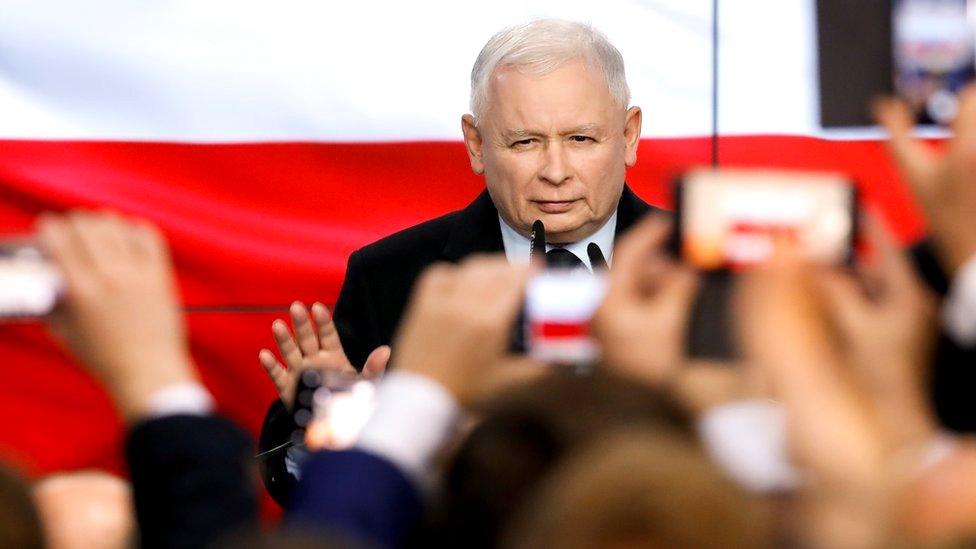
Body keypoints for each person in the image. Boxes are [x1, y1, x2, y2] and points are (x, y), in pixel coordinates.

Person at [256, 18, 662, 505]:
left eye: (580, 139)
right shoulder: (392, 275)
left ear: (629, 134)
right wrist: (341, 424)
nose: (556, 172)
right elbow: (296, 484)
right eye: (525, 142)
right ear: (476, 144)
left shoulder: (694, 270)